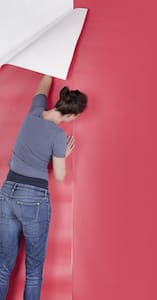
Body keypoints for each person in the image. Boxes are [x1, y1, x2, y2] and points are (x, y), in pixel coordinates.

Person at [0, 74, 88, 300]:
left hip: (8, 190)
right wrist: (64, 154)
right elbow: (59, 176)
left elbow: (44, 84)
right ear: (71, 115)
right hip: (33, 198)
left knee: (2, 267)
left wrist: (49, 69)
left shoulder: (34, 111)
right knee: (34, 271)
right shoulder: (58, 136)